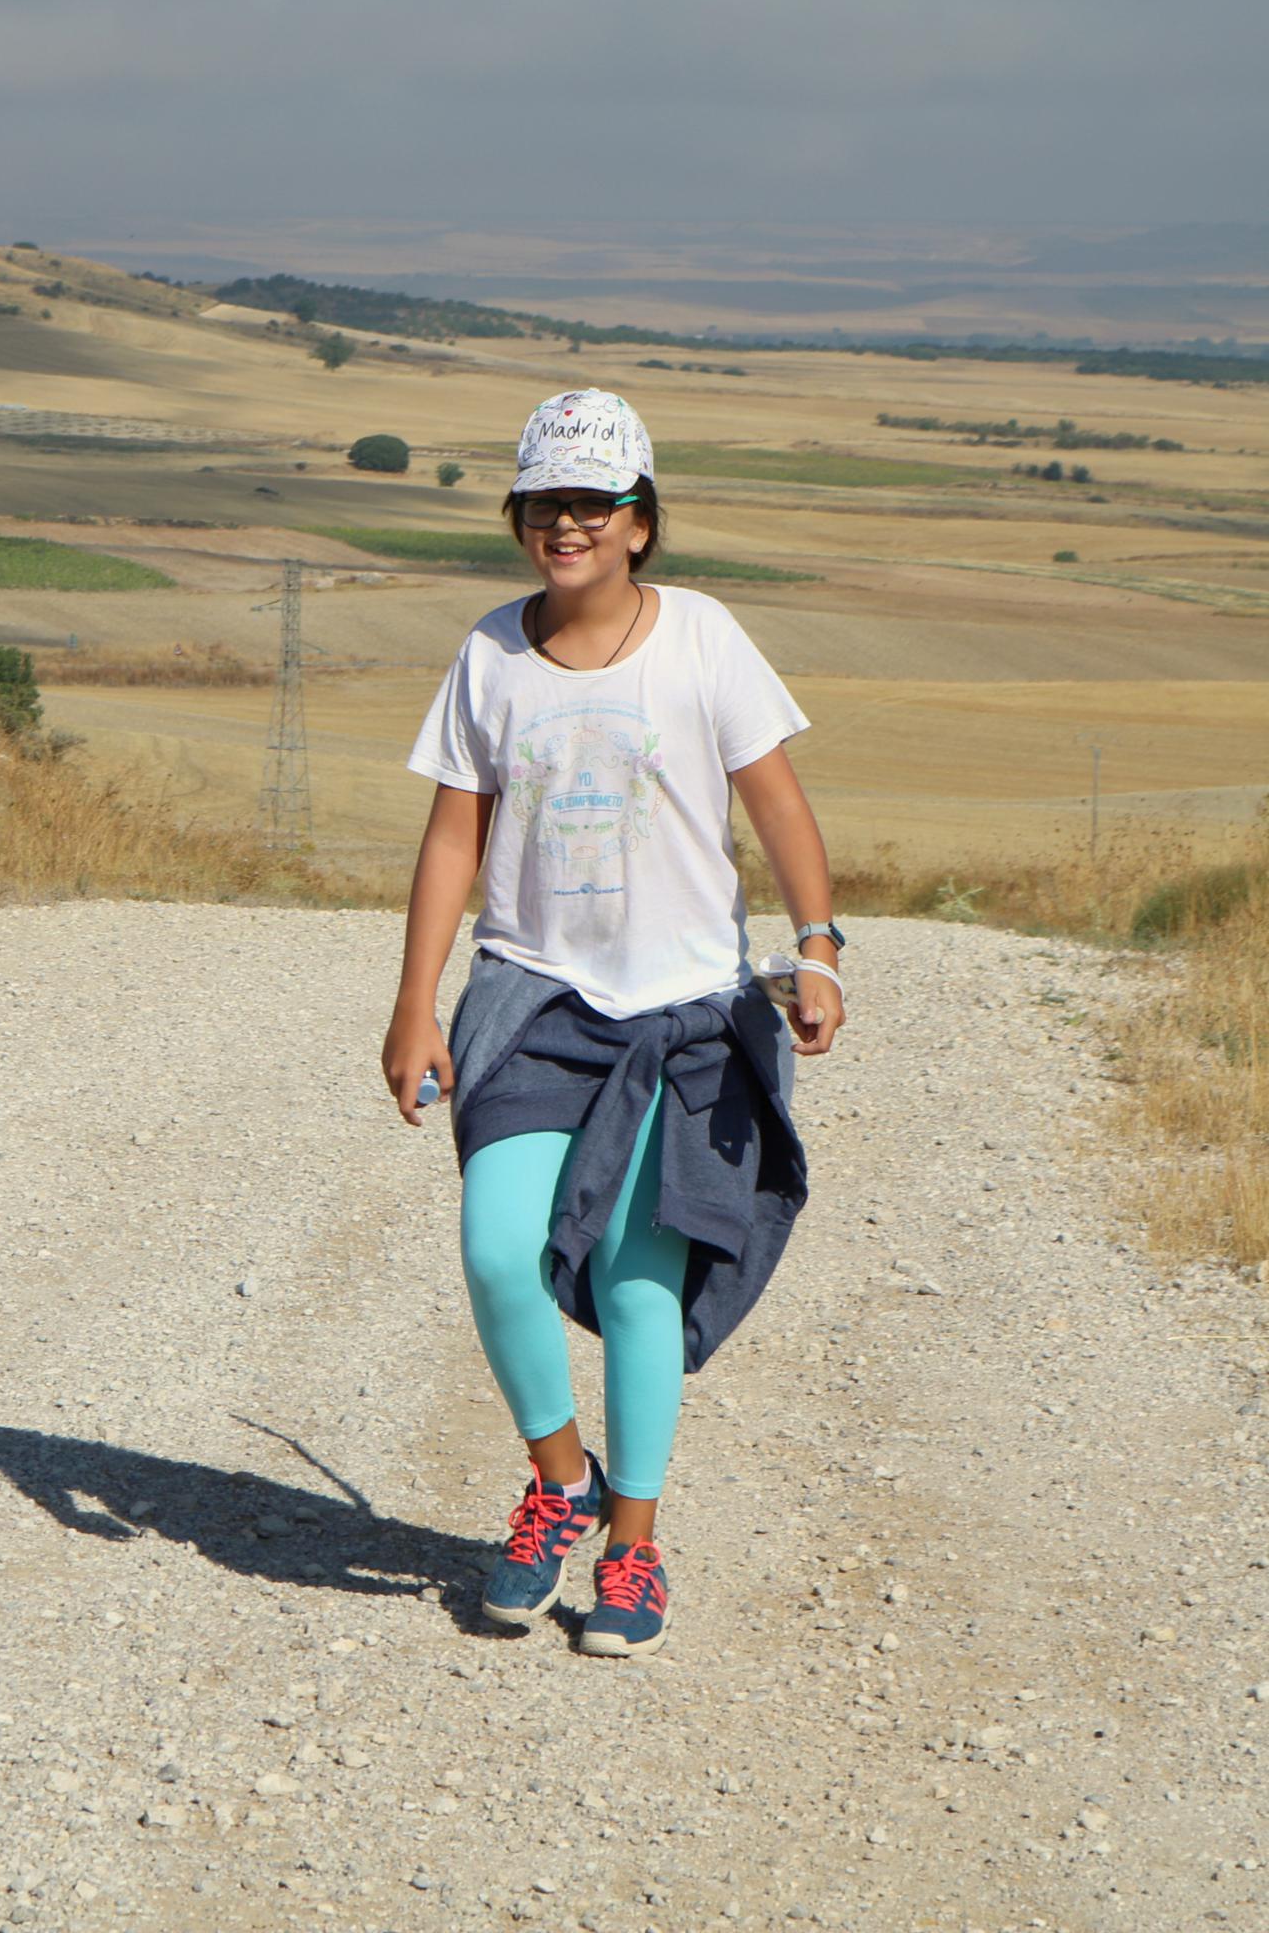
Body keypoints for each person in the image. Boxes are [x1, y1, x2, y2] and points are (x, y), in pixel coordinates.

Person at [379, 390, 844, 1657]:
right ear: (519, 517)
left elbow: (780, 803)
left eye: (593, 502)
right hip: (531, 1001)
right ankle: (557, 1480)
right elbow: (453, 835)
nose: (566, 523)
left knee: (642, 1282)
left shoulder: (702, 639)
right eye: (545, 502)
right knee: (497, 1247)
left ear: (641, 520)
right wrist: (416, 1004)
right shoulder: (489, 655)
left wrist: (818, 946)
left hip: (684, 1018)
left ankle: (632, 1548)